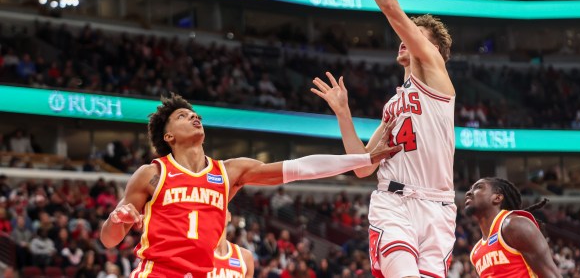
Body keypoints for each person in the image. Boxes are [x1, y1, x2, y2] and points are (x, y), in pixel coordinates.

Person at [100, 94, 398, 277]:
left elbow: (300, 168)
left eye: (196, 115)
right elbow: (109, 240)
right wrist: (117, 219)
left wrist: (362, 159)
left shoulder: (229, 171)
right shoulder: (151, 174)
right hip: (158, 274)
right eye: (182, 116)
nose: (194, 117)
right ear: (168, 137)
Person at [313, 0, 457, 278]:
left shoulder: (436, 74)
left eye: (415, 34)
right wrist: (343, 113)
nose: (404, 38)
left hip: (439, 207)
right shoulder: (395, 103)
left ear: (434, 48)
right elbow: (362, 165)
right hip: (394, 202)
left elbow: (392, 9)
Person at [464, 177, 561, 277]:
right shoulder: (475, 253)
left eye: (478, 187)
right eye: (470, 189)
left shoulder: (514, 225)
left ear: (497, 198)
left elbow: (552, 275)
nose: (468, 192)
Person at [209, 211, 254, 278]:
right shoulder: (198, 255)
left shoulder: (245, 256)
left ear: (229, 216)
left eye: (222, 207)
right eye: (215, 209)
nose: (219, 212)